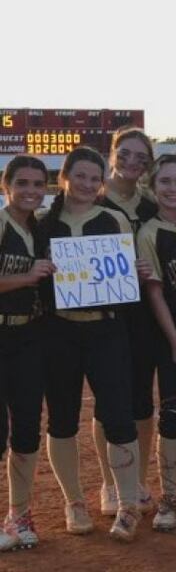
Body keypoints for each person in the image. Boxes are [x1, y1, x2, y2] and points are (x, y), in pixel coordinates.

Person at [36, 146, 153, 541]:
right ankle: (74, 502)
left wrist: (136, 270)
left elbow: (128, 276)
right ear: (64, 177)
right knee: (63, 419)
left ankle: (126, 504)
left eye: (94, 178)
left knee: (119, 418)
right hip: (59, 333)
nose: (87, 184)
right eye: (80, 176)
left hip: (106, 331)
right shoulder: (42, 222)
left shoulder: (113, 218)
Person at [136, 153, 176, 530]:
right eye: (166, 182)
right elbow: (156, 293)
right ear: (153, 187)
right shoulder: (148, 233)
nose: (173, 189)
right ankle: (170, 497)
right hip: (174, 336)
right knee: (175, 415)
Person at [95, 128, 157, 517]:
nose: (133, 162)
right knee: (107, 404)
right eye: (126, 153)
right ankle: (108, 485)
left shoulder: (150, 205)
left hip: (144, 315)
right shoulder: (93, 199)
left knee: (142, 404)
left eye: (141, 157)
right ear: (113, 153)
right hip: (104, 316)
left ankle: (137, 481)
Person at [0, 156, 55, 551]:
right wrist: (26, 276)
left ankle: (18, 514)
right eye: (23, 183)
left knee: (26, 430)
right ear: (7, 185)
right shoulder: (2, 224)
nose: (31, 190)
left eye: (38, 184)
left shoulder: (40, 228)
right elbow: (30, 276)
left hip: (31, 339)